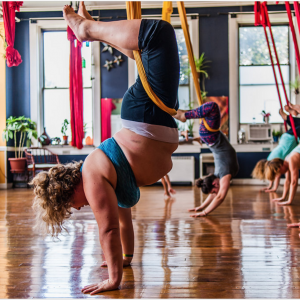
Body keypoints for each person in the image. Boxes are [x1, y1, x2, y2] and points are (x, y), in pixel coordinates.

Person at [31, 2, 180, 295]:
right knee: (147, 51)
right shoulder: (107, 183)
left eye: (71, 206)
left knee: (156, 35)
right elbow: (123, 224)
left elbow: (108, 230)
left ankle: (87, 29)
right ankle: (93, 27)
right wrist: (125, 260)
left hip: (145, 116)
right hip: (152, 118)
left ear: (68, 191)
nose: (79, 208)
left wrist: (113, 280)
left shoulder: (92, 178)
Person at [174, 102, 239, 217]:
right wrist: (202, 208)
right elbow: (217, 195)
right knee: (210, 108)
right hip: (208, 137)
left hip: (210, 135)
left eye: (214, 190)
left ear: (214, 183)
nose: (216, 192)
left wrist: (203, 211)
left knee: (213, 106)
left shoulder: (223, 174)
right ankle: (183, 114)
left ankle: (184, 115)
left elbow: (218, 196)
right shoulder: (222, 175)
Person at [252, 108, 300, 193]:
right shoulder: (270, 159)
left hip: (289, 140)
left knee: (298, 125)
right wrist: (270, 186)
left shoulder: (273, 163)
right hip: (286, 139)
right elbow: (275, 175)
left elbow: (276, 175)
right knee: (296, 124)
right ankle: (287, 117)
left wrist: (273, 188)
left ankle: (286, 117)